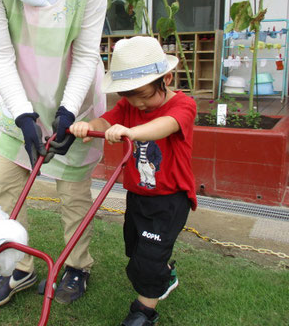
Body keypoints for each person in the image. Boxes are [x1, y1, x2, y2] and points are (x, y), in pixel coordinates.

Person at [0, 0, 107, 307]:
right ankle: (18, 266)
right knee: (3, 182)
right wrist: (23, 115)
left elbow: (85, 54)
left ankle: (77, 265)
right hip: (19, 101)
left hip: (74, 100)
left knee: (74, 195)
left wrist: (66, 112)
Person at [70, 36, 197, 326]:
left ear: (166, 78)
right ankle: (164, 270)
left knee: (148, 258)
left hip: (171, 198)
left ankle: (143, 311)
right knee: (136, 249)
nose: (137, 103)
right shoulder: (130, 107)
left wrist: (132, 132)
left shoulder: (184, 105)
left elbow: (164, 126)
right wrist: (88, 127)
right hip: (138, 195)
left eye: (142, 94)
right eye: (128, 96)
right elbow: (104, 121)